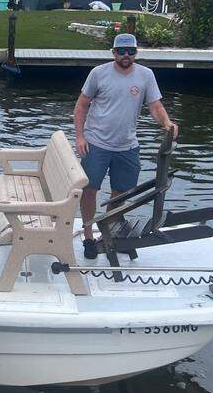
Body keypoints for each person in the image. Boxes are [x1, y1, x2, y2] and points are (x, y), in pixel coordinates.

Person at [74, 34, 178, 259]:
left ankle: (109, 232)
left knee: (121, 193)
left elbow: (155, 106)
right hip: (96, 143)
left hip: (127, 145)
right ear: (113, 53)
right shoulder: (98, 74)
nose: (126, 56)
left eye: (131, 51)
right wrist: (80, 137)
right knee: (90, 189)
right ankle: (89, 236)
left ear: (136, 53)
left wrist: (167, 123)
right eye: (121, 51)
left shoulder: (146, 75)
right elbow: (82, 105)